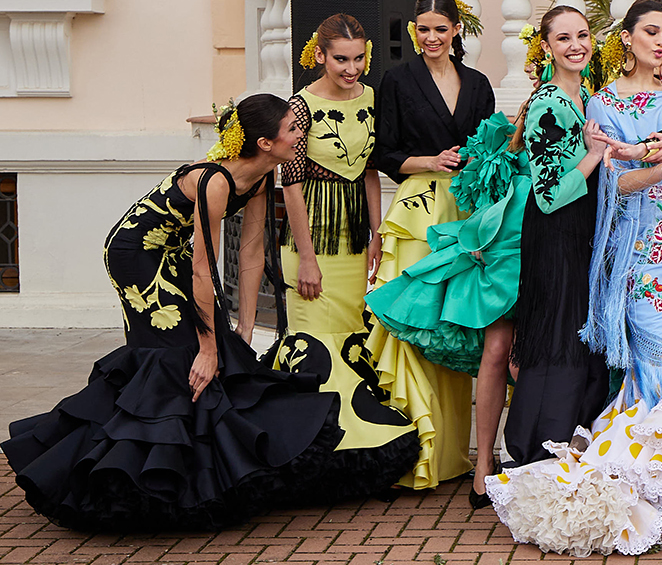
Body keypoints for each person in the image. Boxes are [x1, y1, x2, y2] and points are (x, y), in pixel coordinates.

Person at [4, 96, 419, 530]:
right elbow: (205, 266)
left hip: (176, 252)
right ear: (264, 141)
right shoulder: (214, 181)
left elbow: (252, 250)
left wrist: (240, 325)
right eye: (293, 130)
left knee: (221, 355)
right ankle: (122, 481)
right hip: (136, 256)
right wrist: (207, 345)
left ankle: (201, 475)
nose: (302, 136)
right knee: (173, 358)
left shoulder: (261, 176)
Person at [486, 0, 662, 556]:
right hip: (638, 254)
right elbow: (619, 185)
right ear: (629, 38)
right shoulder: (605, 103)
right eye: (652, 32)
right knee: (658, 360)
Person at [266, 15, 420, 475]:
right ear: (319, 56)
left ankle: (359, 456)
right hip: (313, 238)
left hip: (356, 237)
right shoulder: (298, 108)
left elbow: (371, 170)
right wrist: (307, 259)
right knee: (315, 340)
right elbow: (290, 187)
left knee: (356, 335)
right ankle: (313, 453)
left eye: (358, 59)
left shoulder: (373, 98)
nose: (351, 69)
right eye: (340, 59)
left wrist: (377, 234)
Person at [364, 107, 532, 508]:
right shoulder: (508, 130)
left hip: (554, 248)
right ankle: (484, 465)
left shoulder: (588, 112)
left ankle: (526, 458)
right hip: (505, 254)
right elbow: (478, 188)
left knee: (527, 360)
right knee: (496, 353)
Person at [366, 0, 497, 489]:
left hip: (467, 208)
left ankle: (452, 455)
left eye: (440, 29)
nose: (431, 38)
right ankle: (413, 453)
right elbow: (384, 153)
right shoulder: (397, 81)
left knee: (457, 322)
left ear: (456, 30)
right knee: (416, 323)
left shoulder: (479, 84)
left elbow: (490, 148)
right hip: (420, 208)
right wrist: (431, 162)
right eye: (422, 29)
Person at [497, 7, 612, 480]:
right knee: (558, 338)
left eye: (582, 35)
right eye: (563, 38)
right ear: (546, 47)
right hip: (556, 234)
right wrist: (594, 155)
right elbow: (548, 195)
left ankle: (566, 448)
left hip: (579, 231)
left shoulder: (582, 96)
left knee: (575, 337)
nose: (576, 45)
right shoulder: (548, 103)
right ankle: (535, 454)